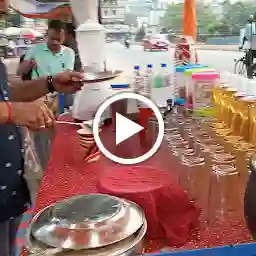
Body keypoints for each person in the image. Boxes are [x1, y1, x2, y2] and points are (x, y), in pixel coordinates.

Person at [17, 19, 75, 171]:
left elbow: (67, 73)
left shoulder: (69, 53)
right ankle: (46, 169)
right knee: (41, 136)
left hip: (59, 97)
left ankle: (60, 166)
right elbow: (19, 72)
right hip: (38, 98)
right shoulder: (35, 50)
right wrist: (27, 64)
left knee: (60, 132)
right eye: (52, 38)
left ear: (65, 37)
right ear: (46, 36)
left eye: (58, 39)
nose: (55, 42)